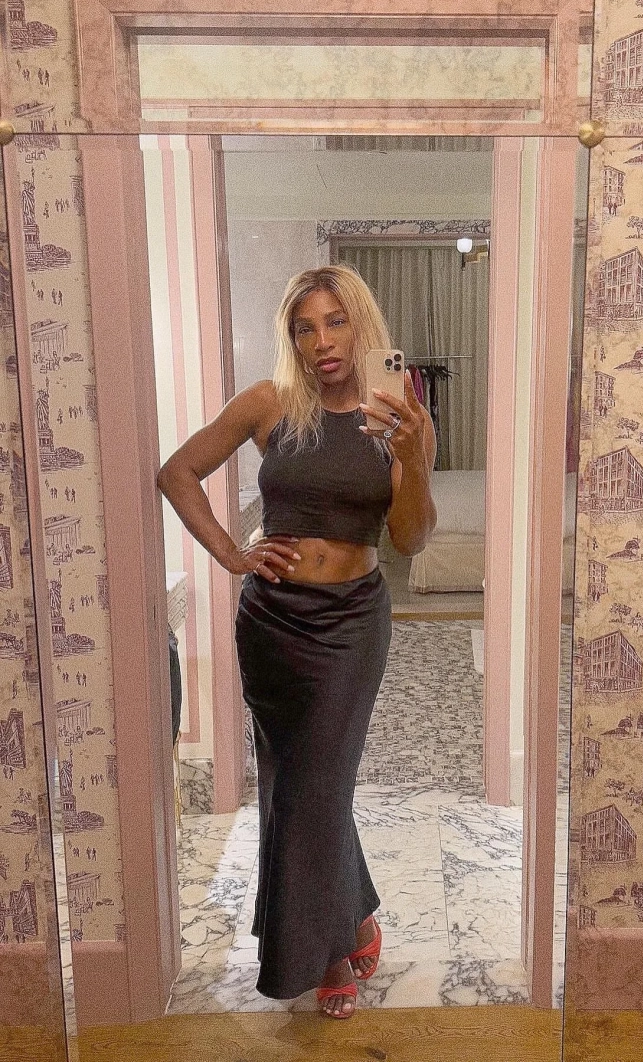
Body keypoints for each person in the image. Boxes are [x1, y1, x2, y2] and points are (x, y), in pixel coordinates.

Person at [157, 264, 437, 1019]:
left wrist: (412, 455)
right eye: (304, 328)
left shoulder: (398, 413)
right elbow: (178, 471)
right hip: (273, 624)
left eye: (336, 322)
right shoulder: (269, 403)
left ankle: (329, 942)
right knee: (299, 785)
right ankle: (347, 925)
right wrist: (230, 552)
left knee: (318, 785)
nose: (322, 342)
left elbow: (411, 537)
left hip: (352, 625)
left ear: (361, 324)